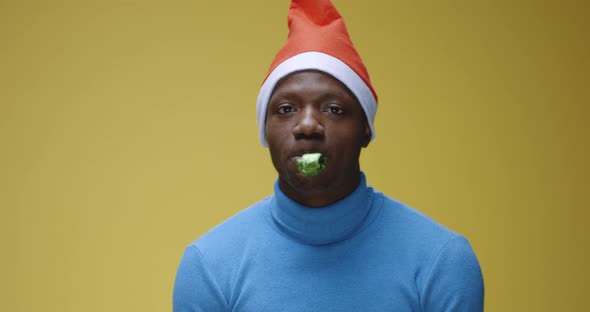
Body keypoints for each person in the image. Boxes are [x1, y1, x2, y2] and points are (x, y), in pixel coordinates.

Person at [173, 0, 484, 311]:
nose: (308, 125)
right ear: (265, 131)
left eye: (334, 109)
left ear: (366, 129)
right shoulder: (209, 265)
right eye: (286, 109)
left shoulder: (441, 261)